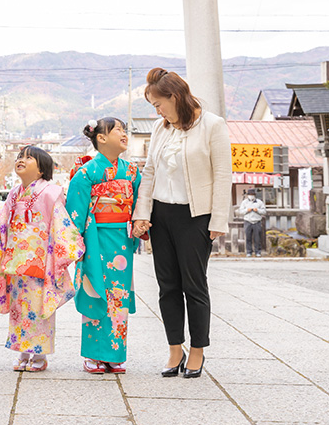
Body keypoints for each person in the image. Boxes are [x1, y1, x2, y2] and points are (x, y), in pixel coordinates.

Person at [132, 68, 232, 379]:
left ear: (174, 98)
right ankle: (175, 348)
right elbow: (149, 172)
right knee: (167, 286)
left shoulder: (213, 126)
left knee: (194, 285)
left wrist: (218, 219)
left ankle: (198, 350)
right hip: (162, 215)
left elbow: (223, 175)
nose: (157, 111)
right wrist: (142, 213)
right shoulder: (162, 129)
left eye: (158, 104)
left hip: (195, 216)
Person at [0, 146, 84, 372]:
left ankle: (40, 354)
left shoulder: (50, 193)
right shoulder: (14, 193)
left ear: (41, 171)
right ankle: (23, 351)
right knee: (20, 307)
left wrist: (64, 249)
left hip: (41, 261)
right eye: (20, 157)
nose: (21, 160)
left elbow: (60, 224)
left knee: (39, 307)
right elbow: (3, 224)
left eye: (29, 158)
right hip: (17, 261)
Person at [66, 117, 141, 374]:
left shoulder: (132, 171)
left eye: (124, 130)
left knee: (118, 295)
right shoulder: (86, 172)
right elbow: (75, 210)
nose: (124, 134)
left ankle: (115, 353)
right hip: (95, 238)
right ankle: (94, 354)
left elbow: (140, 204)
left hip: (121, 239)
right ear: (101, 138)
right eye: (118, 129)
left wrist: (140, 224)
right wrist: (76, 241)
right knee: (95, 291)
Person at [237, 187, 267, 257]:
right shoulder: (244, 202)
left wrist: (258, 210)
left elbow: (264, 211)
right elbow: (240, 211)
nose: (251, 195)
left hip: (257, 222)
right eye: (250, 194)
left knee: (257, 238)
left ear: (255, 195)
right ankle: (249, 252)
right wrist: (247, 210)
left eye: (252, 194)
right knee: (248, 237)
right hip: (248, 221)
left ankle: (258, 251)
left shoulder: (259, 202)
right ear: (248, 195)